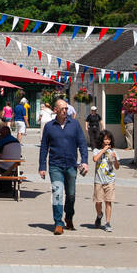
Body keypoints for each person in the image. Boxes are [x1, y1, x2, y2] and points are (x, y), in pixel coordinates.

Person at [38, 98, 89, 234]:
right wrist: (42, 167)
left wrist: (84, 161)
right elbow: (44, 147)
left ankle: (69, 217)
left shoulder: (75, 124)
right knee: (57, 194)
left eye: (66, 108)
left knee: (71, 195)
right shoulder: (49, 126)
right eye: (62, 109)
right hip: (55, 165)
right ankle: (58, 223)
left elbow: (82, 144)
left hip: (72, 165)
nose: (65, 111)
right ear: (55, 110)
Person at [0, 124, 24, 199]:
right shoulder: (16, 140)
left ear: (2, 134)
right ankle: (4, 186)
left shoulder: (3, 141)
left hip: (5, 166)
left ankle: (1, 186)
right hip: (14, 167)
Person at [91, 131, 119, 231]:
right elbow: (95, 159)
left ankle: (107, 223)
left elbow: (117, 167)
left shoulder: (113, 152)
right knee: (98, 202)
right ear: (101, 140)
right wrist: (103, 150)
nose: (107, 141)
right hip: (99, 180)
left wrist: (115, 159)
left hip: (110, 180)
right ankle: (99, 215)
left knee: (108, 202)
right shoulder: (96, 150)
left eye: (109, 139)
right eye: (105, 139)